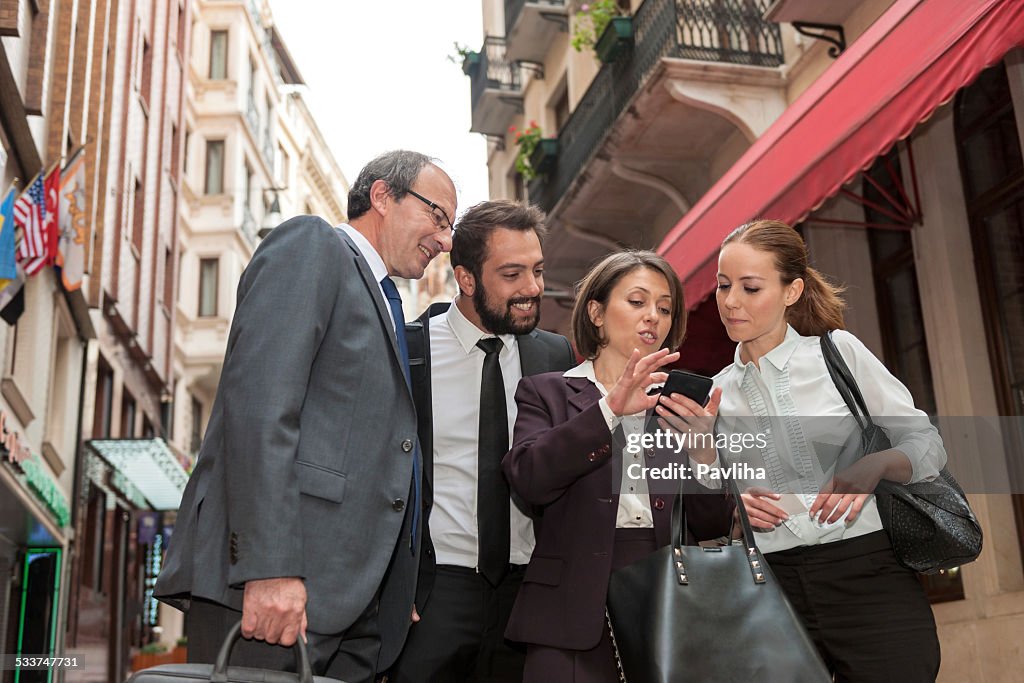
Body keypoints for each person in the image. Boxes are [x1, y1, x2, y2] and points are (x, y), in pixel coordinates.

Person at [154, 150, 457, 682]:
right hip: (277, 592)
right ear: (383, 196)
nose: (446, 240)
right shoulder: (313, 245)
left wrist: (395, 584)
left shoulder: (387, 303)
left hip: (354, 605)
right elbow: (261, 411)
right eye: (437, 216)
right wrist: (269, 569)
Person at [712, 219, 943, 682]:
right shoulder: (714, 392)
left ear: (792, 291)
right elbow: (714, 493)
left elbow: (926, 444)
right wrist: (735, 506)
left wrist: (875, 465)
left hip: (869, 573)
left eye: (750, 287)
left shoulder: (838, 354)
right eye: (722, 285)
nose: (730, 301)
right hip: (772, 589)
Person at [501, 250, 733, 682]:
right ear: (596, 313)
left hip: (666, 603)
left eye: (664, 308)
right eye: (637, 301)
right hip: (568, 610)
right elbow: (529, 478)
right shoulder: (546, 392)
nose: (653, 317)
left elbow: (712, 523)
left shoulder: (681, 404)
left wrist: (704, 454)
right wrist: (609, 411)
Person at [390, 200, 575, 682]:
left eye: (537, 271)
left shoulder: (555, 354)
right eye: (512, 274)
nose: (532, 288)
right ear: (466, 279)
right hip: (434, 592)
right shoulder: (407, 351)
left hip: (529, 592)